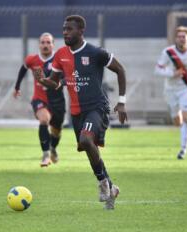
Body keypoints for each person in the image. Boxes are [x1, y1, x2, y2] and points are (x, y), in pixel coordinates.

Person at [32, 15, 127, 210]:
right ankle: (111, 187)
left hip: (97, 108)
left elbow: (120, 69)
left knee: (85, 140)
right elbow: (56, 83)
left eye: (69, 29)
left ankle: (102, 183)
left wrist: (122, 102)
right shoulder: (60, 54)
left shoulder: (95, 53)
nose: (65, 32)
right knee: (90, 149)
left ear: (81, 31)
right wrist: (43, 80)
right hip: (76, 113)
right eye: (64, 29)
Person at [13, 32, 66, 167]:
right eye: (43, 42)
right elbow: (23, 69)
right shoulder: (32, 60)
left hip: (57, 101)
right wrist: (17, 87)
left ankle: (53, 148)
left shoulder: (60, 60)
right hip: (39, 99)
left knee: (57, 130)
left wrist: (59, 83)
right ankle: (46, 154)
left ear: (53, 45)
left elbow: (68, 77)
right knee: (44, 120)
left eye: (48, 42)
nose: (45, 45)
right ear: (39, 44)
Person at [155, 26, 187, 159]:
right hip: (170, 90)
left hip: (186, 88)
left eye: (184, 37)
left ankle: (183, 149)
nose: (182, 39)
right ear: (176, 38)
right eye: (179, 37)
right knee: (177, 121)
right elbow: (157, 70)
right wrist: (172, 73)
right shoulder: (168, 52)